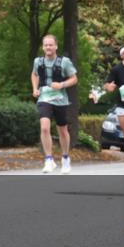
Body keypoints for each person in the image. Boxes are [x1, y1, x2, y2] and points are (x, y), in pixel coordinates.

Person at [30, 34, 79, 174]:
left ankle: (65, 158)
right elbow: (34, 74)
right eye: (46, 45)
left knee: (62, 130)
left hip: (60, 99)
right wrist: (35, 88)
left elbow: (74, 79)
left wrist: (62, 84)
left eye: (51, 45)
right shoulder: (38, 61)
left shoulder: (64, 62)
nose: (48, 47)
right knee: (44, 127)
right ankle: (49, 159)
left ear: (56, 46)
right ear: (43, 47)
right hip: (44, 98)